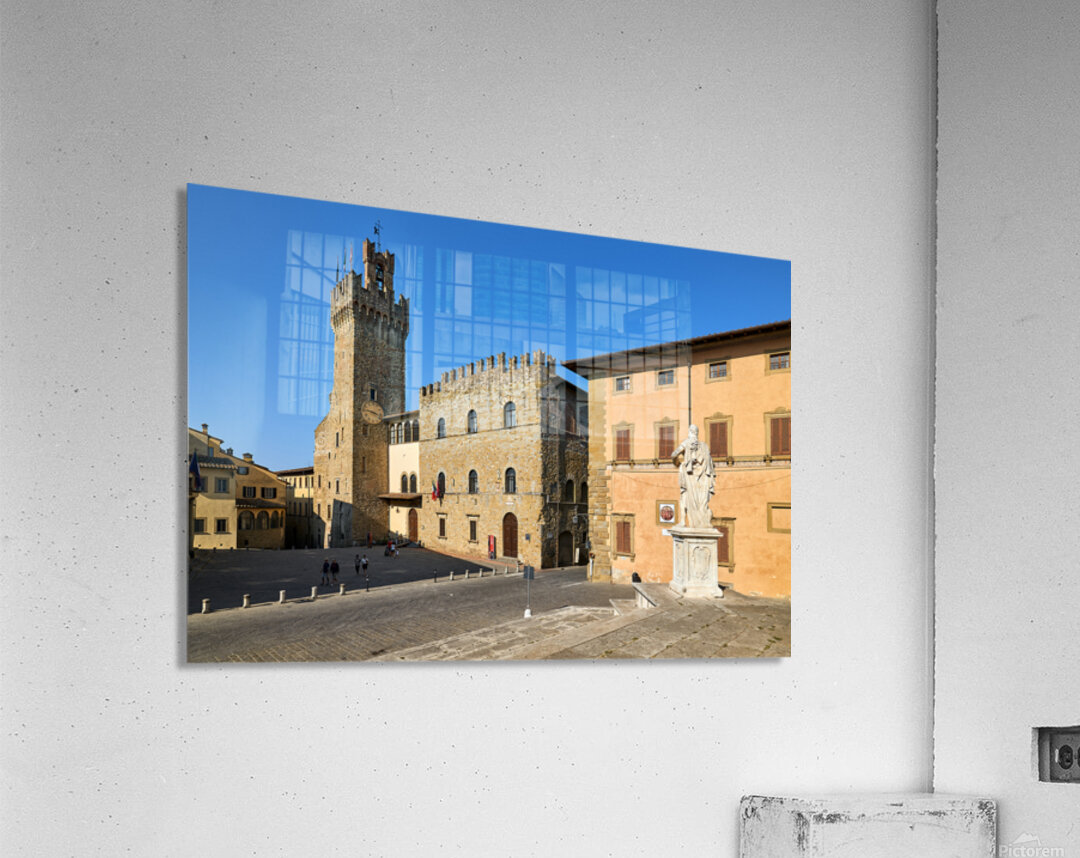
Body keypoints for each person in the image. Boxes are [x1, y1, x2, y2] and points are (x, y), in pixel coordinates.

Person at [670, 424, 715, 528]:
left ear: (689, 432)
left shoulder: (686, 443)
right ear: (697, 433)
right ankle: (702, 520)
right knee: (701, 500)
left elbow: (673, 455)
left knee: (684, 497)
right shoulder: (704, 446)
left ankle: (683, 521)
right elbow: (710, 465)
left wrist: (678, 463)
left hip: (688, 475)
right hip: (702, 477)